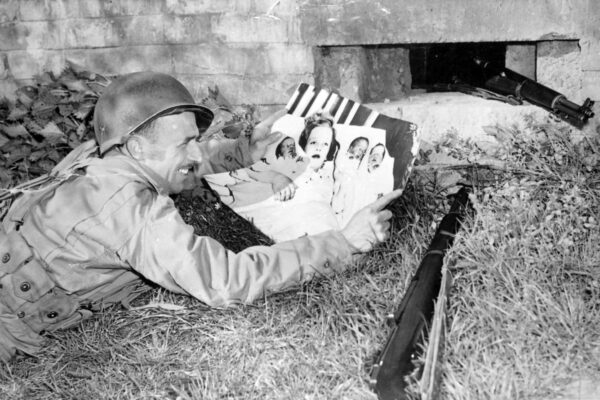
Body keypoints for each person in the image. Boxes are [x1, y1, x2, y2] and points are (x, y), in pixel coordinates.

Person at [0, 72, 400, 362]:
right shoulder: (130, 210)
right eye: (186, 142)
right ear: (137, 147)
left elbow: (180, 160)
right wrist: (341, 243)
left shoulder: (110, 156)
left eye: (196, 139)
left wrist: (243, 152)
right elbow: (225, 280)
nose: (195, 154)